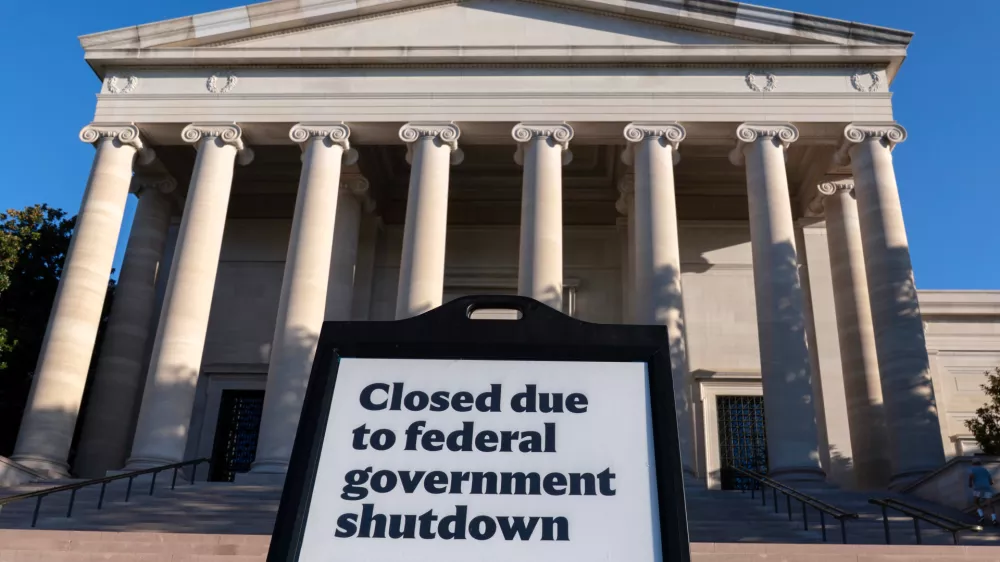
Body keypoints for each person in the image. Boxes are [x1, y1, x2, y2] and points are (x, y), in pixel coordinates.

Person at [969, 458, 997, 526]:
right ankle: (994, 519)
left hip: (978, 488)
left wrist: (970, 483)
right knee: (989, 504)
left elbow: (971, 476)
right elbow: (991, 481)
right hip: (987, 488)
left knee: (976, 502)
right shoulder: (985, 470)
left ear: (973, 463)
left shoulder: (972, 469)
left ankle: (982, 516)